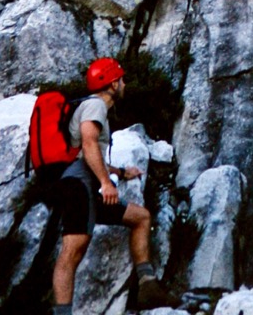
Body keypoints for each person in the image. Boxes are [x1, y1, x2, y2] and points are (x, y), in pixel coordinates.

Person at [51, 57, 170, 314]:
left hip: (86, 185)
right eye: (122, 80)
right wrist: (107, 183)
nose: (125, 84)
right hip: (78, 186)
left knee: (140, 217)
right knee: (72, 251)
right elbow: (88, 144)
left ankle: (147, 286)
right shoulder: (95, 105)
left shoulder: (96, 108)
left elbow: (92, 156)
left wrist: (121, 173)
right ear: (112, 84)